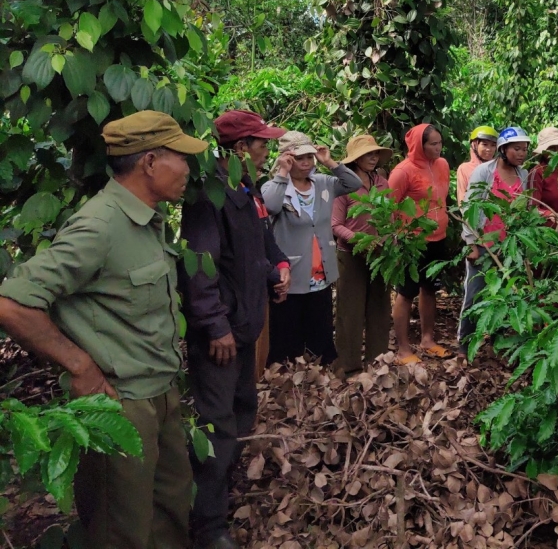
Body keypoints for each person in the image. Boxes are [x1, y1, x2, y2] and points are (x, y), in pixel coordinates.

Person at [0, 111, 207, 549]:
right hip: (119, 405)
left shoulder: (147, 218)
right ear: (149, 162)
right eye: (180, 157)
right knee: (121, 529)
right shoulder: (99, 226)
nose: (188, 168)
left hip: (160, 394)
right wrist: (79, 365)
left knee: (169, 514)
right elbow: (12, 302)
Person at [179, 109, 291, 549]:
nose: (268, 151)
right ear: (240, 149)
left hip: (244, 328)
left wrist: (275, 270)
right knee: (216, 423)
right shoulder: (209, 198)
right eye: (262, 144)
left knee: (243, 408)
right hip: (221, 337)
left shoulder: (247, 192)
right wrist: (213, 326)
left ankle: (222, 491)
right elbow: (199, 270)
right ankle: (207, 526)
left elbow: (256, 248)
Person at [263, 130, 361, 366]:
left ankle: (320, 386)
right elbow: (271, 206)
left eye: (309, 157)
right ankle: (288, 387)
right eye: (299, 158)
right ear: (286, 157)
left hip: (320, 275)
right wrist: (282, 173)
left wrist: (329, 161)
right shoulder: (274, 186)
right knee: (288, 336)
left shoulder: (323, 184)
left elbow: (353, 183)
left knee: (320, 332)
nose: (306, 163)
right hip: (291, 276)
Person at [459, 127, 532, 356]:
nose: (521, 154)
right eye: (516, 149)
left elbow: (525, 208)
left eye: (524, 149)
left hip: (509, 245)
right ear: (503, 149)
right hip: (484, 244)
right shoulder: (484, 172)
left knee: (504, 298)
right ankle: (464, 345)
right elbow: (470, 207)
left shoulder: (524, 175)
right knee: (474, 294)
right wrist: (471, 242)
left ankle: (497, 345)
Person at [388, 123, 453, 364]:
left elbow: (442, 198)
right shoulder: (403, 171)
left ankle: (428, 340)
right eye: (433, 144)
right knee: (405, 293)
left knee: (430, 289)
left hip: (438, 239)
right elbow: (389, 208)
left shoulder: (443, 165)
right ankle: (403, 349)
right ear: (419, 145)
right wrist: (396, 239)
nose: (439, 148)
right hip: (412, 243)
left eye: (440, 143)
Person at [332, 134, 394, 376]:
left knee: (379, 309)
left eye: (375, 153)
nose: (373, 157)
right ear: (355, 159)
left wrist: (389, 240)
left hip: (379, 255)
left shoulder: (382, 182)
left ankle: (377, 362)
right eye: (368, 154)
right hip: (350, 255)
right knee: (350, 312)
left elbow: (388, 218)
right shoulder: (344, 185)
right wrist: (360, 240)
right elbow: (335, 225)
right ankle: (348, 366)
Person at [455, 125, 498, 203]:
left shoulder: (499, 167)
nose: (489, 149)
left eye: (493, 145)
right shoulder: (464, 168)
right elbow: (462, 199)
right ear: (474, 145)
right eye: (485, 144)